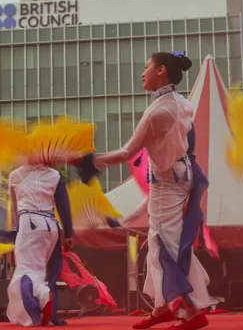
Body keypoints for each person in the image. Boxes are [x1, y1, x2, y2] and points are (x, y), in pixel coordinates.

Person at [78, 51, 211, 330]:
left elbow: (128, 151)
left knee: (165, 246)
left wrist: (90, 160)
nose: (142, 72)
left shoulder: (157, 111)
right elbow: (188, 138)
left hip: (166, 182)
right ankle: (163, 307)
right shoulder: (183, 103)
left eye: (146, 66)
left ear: (161, 70)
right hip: (179, 175)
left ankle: (192, 309)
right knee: (157, 245)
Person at [5, 164, 74, 327]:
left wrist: (17, 233)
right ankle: (50, 313)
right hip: (51, 226)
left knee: (26, 270)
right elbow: (64, 207)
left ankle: (42, 298)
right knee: (45, 270)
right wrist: (69, 233)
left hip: (29, 223)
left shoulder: (15, 175)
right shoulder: (55, 175)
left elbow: (15, 210)